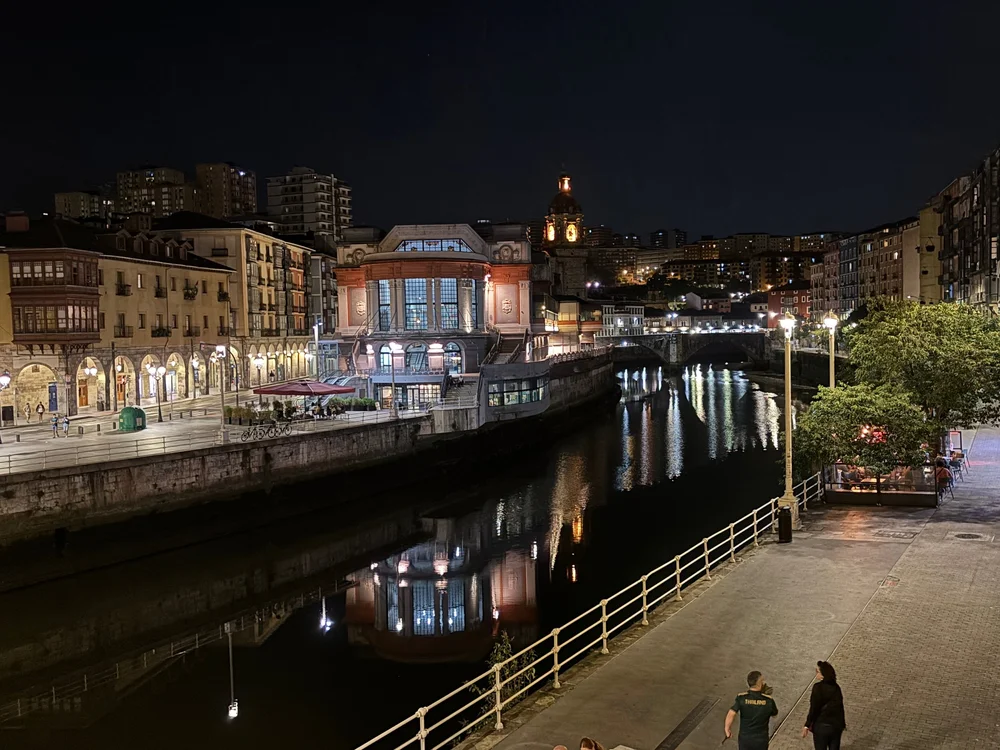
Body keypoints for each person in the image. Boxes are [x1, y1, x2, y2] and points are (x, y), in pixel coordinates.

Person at [725, 670, 777, 750]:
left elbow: (731, 713)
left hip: (745, 739)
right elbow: (775, 714)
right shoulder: (768, 700)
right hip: (761, 739)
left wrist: (727, 728)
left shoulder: (742, 698)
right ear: (759, 683)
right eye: (762, 681)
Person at [802, 661, 845, 750]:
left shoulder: (818, 688)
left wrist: (807, 725)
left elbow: (814, 708)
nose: (816, 674)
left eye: (817, 672)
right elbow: (840, 708)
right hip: (836, 726)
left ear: (823, 675)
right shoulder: (836, 688)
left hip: (821, 726)